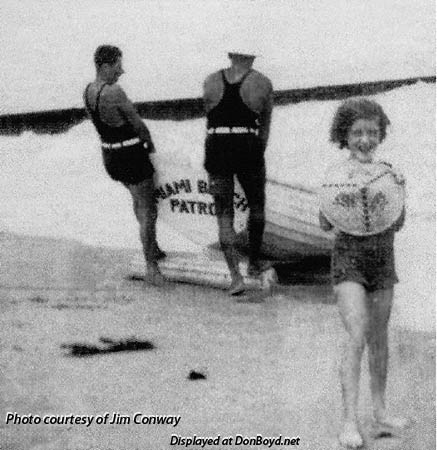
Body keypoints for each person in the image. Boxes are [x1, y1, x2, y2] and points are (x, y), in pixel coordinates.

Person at [319, 98, 409, 448]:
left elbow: (397, 222)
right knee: (356, 335)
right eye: (357, 132)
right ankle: (348, 422)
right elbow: (326, 223)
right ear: (344, 135)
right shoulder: (335, 176)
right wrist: (341, 197)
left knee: (380, 338)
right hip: (348, 260)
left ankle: (381, 411)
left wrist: (398, 189)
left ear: (381, 134)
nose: (365, 139)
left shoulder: (390, 172)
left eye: (372, 132)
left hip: (384, 259)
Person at [83, 45, 165, 285]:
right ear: (105, 66)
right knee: (148, 210)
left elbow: (102, 124)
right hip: (131, 156)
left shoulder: (88, 91)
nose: (122, 71)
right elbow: (138, 124)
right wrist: (151, 149)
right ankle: (151, 266)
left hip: (110, 158)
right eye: (118, 65)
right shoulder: (114, 91)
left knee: (138, 201)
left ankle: (154, 249)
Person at [203, 49, 273, 295]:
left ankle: (235, 278)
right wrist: (255, 154)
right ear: (253, 57)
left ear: (230, 55)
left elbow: (211, 117)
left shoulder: (210, 81)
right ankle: (253, 263)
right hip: (247, 144)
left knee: (223, 214)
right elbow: (264, 128)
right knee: (257, 206)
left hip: (217, 145)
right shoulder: (262, 82)